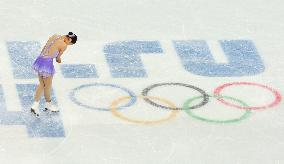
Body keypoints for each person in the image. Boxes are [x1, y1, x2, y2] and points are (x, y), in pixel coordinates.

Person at [30, 32, 77, 117]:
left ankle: (37, 105)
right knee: (47, 86)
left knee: (42, 84)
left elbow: (44, 48)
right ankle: (47, 105)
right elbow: (57, 58)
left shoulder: (55, 35)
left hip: (40, 60)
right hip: (47, 65)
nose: (68, 45)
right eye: (70, 44)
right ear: (69, 39)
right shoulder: (64, 45)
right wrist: (59, 60)